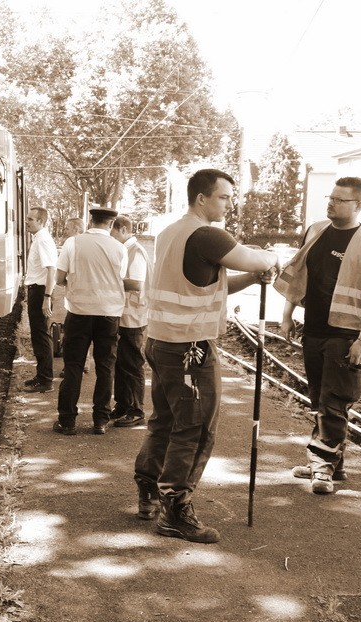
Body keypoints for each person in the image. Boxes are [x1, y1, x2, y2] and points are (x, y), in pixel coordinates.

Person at [133, 169, 278, 543]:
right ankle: (176, 509)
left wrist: (251, 278)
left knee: (165, 421)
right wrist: (270, 257)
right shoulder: (208, 234)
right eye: (225, 197)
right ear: (202, 198)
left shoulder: (172, 232)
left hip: (162, 342)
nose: (230, 203)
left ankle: (149, 487)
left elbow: (210, 284)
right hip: (190, 349)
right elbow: (256, 259)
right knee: (196, 429)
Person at [275, 176, 361, 494]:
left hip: (345, 334)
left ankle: (322, 467)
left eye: (340, 200)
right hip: (313, 330)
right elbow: (300, 275)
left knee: (333, 403)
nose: (331, 202)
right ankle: (332, 464)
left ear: (359, 205)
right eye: (331, 197)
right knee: (320, 401)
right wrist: (287, 316)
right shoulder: (315, 232)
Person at [53, 207, 127, 436]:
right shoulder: (120, 248)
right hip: (109, 314)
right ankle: (100, 421)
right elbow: (120, 279)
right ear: (111, 223)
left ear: (91, 221)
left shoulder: (72, 243)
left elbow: (59, 278)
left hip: (79, 313)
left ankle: (67, 421)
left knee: (73, 366)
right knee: (105, 367)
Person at [111, 214, 152, 428]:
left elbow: (136, 284)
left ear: (123, 230)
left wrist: (111, 280)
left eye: (112, 232)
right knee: (121, 363)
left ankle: (137, 410)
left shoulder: (136, 252)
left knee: (133, 364)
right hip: (125, 315)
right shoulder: (126, 251)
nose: (110, 236)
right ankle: (123, 404)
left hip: (134, 318)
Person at [23, 207, 57, 392]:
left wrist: (47, 297)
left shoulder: (43, 240)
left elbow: (52, 270)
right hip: (37, 290)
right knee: (38, 335)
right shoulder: (39, 238)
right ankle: (41, 376)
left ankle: (45, 381)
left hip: (41, 291)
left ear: (41, 222)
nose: (27, 221)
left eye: (30, 219)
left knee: (42, 335)